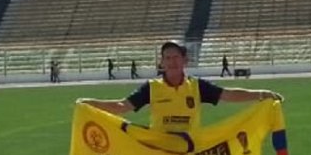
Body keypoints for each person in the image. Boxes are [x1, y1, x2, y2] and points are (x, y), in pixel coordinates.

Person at [77, 40, 282, 134]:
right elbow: (122, 106)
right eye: (167, 58)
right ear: (161, 63)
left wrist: (261, 94)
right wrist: (89, 104)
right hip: (159, 151)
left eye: (176, 57)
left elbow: (228, 95)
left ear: (185, 61)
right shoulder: (151, 87)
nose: (172, 61)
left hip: (190, 150)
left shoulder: (197, 86)